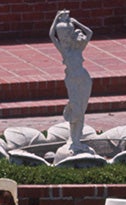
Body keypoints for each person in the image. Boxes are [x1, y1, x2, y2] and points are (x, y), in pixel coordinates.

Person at [49, 10, 93, 154]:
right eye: (63, 37)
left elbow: (90, 33)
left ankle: (76, 140)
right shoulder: (64, 51)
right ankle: (73, 140)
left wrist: (75, 22)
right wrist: (56, 18)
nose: (65, 39)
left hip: (84, 79)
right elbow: (51, 35)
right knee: (76, 110)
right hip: (72, 80)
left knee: (82, 109)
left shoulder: (79, 48)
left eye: (68, 35)